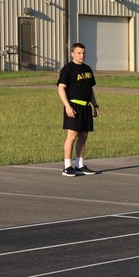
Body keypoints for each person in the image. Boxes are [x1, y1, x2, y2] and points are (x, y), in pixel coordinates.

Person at [57, 42, 99, 176]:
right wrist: (67, 106)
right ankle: (67, 166)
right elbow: (61, 88)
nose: (82, 55)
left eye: (84, 53)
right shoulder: (68, 69)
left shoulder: (87, 69)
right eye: (79, 53)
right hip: (73, 106)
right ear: (72, 54)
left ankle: (79, 165)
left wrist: (95, 104)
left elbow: (89, 89)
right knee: (72, 135)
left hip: (86, 106)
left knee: (83, 136)